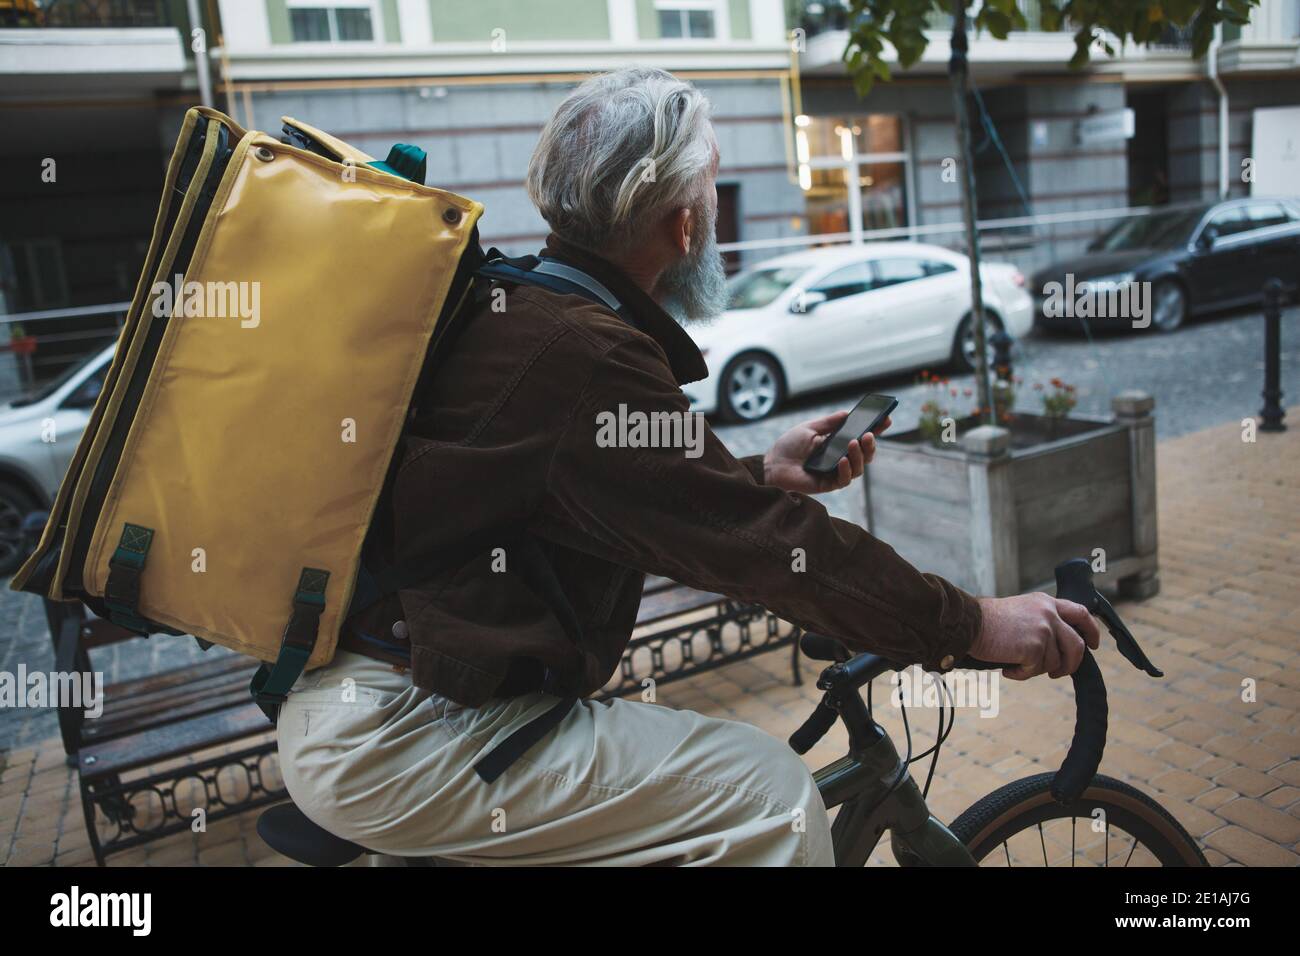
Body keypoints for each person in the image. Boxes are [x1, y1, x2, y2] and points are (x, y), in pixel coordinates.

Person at [277, 67, 1101, 866]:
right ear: (681, 225)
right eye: (710, 187)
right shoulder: (583, 351)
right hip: (412, 732)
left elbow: (613, 496)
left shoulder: (531, 307)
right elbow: (769, 547)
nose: (711, 208)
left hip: (383, 711)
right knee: (766, 794)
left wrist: (759, 474)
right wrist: (977, 625)